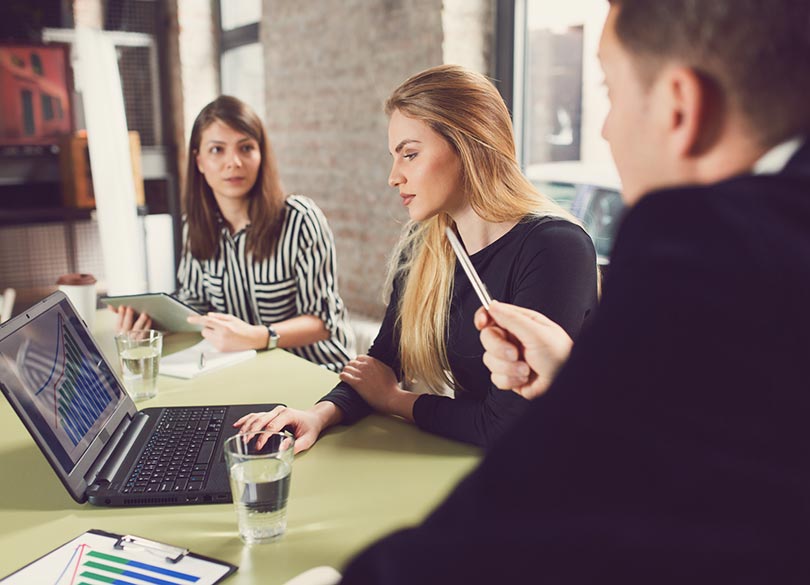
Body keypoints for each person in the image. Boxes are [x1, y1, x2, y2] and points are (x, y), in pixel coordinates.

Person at [335, 0, 810, 582]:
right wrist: (571, 378)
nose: (606, 128)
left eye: (610, 92)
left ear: (680, 108)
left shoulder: (707, 248)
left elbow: (544, 517)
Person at [236, 65, 599, 451]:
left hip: (557, 472)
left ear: (470, 143)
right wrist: (318, 414)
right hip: (473, 463)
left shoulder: (556, 248)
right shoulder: (427, 244)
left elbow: (505, 425)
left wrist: (395, 401)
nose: (394, 176)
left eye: (409, 154)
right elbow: (383, 361)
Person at [112, 96, 354, 372]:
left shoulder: (300, 219)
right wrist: (151, 320)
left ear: (261, 155)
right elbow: (195, 303)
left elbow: (323, 321)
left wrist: (259, 336)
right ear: (199, 160)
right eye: (217, 150)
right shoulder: (196, 224)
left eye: (246, 148)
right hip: (248, 368)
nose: (234, 162)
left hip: (319, 371)